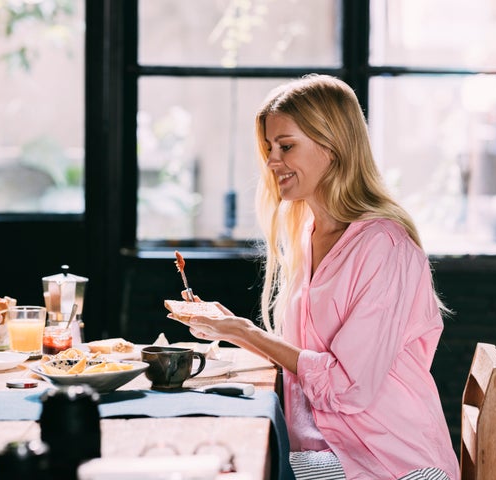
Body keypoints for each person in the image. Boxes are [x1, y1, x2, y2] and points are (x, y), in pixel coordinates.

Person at [181, 74, 460, 480]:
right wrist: (232, 329)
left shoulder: (384, 246)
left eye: (286, 146)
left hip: (391, 463)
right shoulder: (309, 232)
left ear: (330, 148)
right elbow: (308, 356)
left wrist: (244, 330)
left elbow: (346, 386)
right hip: (329, 450)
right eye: (269, 147)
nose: (272, 161)